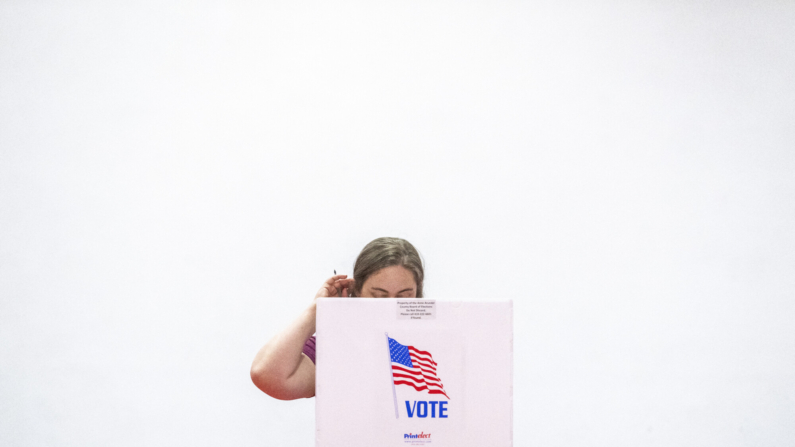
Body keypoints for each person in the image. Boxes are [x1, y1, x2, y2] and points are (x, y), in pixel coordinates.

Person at [250, 237, 424, 400]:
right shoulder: (334, 347)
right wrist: (317, 309)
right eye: (379, 296)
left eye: (403, 297)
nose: (390, 308)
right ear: (357, 291)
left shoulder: (434, 341)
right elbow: (265, 374)